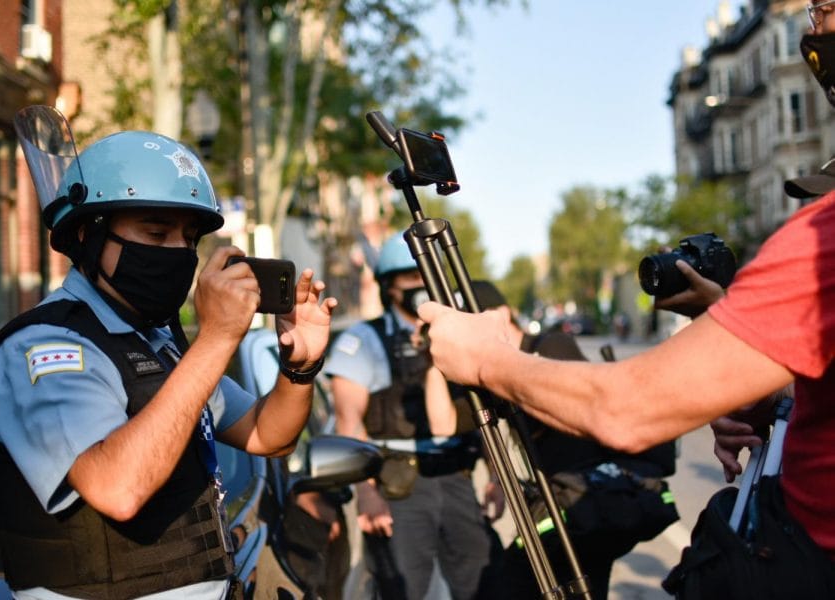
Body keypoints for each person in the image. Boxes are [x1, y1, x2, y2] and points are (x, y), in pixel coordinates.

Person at [417, 11, 835, 584]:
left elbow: (624, 409)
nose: (816, 25)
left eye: (826, 10)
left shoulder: (822, 240)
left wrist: (486, 358)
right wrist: (768, 398)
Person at [0, 124, 337, 600]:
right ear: (87, 233)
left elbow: (269, 435)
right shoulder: (44, 347)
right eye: (155, 232)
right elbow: (118, 489)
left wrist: (300, 367)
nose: (178, 253)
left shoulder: (160, 346)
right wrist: (216, 339)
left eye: (188, 239)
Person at [459, 281, 677, 600]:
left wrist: (503, 376)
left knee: (520, 583)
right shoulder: (494, 370)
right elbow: (451, 420)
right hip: (556, 507)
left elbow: (573, 411)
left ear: (502, 315)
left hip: (584, 505)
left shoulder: (551, 346)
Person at [324, 233, 504, 600]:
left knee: (488, 583)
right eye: (410, 276)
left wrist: (498, 478)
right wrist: (366, 495)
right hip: (399, 485)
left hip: (457, 476)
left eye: (426, 274)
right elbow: (348, 425)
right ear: (389, 286)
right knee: (401, 589)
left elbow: (482, 410)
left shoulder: (458, 336)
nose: (420, 284)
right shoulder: (364, 341)